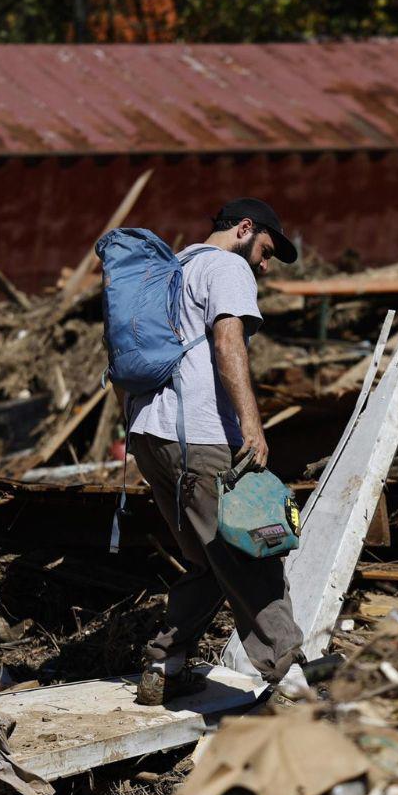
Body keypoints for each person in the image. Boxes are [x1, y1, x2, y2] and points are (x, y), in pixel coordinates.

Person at [123, 197, 309, 706]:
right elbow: (229, 342)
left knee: (206, 559)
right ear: (244, 230)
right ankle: (292, 681)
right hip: (200, 436)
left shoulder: (172, 268)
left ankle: (167, 664)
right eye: (265, 250)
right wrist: (251, 422)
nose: (265, 265)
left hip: (149, 436)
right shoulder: (227, 266)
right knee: (252, 553)